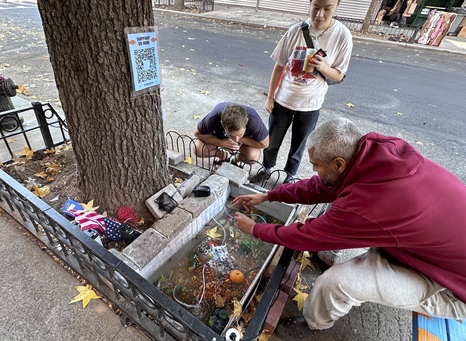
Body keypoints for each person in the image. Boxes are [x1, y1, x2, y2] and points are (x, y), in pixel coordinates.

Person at [233, 117, 466, 338]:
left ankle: (315, 323)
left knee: (333, 284)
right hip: (434, 246)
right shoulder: (376, 152)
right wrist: (269, 196)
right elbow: (322, 186)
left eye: (316, 165)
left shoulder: (365, 204)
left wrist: (256, 229)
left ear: (338, 163)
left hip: (454, 286)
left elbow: (309, 236)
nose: (314, 171)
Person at [254, 0, 353, 183]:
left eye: (327, 8)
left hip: (310, 105)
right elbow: (279, 66)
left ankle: (289, 178)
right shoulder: (295, 31)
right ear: (310, 4)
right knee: (272, 142)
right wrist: (270, 98)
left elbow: (339, 75)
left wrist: (322, 67)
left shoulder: (342, 35)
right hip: (283, 101)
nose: (319, 14)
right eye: (315, 7)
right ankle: (266, 169)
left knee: (298, 148)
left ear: (337, 6)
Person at [193, 102, 269, 164]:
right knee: (198, 149)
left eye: (240, 134)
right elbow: (197, 133)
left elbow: (265, 144)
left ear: (246, 122)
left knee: (253, 157)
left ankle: (237, 159)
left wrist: (241, 140)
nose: (236, 139)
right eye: (231, 135)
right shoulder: (214, 117)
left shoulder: (254, 121)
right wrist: (220, 143)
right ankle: (222, 156)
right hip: (219, 137)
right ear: (222, 124)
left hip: (245, 142)